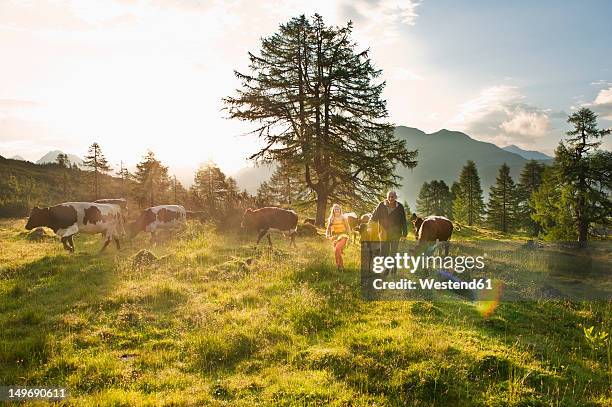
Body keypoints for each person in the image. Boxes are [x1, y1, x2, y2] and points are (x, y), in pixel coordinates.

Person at [369, 190, 408, 272]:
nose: (390, 198)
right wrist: (369, 224)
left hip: (395, 234)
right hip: (383, 233)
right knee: (384, 252)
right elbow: (374, 216)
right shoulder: (381, 205)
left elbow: (403, 221)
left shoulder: (400, 207)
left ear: (395, 197)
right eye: (389, 196)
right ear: (387, 197)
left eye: (392, 196)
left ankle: (393, 268)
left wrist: (404, 234)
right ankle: (386, 268)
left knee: (394, 252)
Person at [325, 204, 352, 271]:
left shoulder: (343, 218)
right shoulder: (331, 219)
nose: (337, 210)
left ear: (340, 210)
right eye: (335, 209)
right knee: (337, 251)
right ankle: (340, 266)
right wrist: (327, 234)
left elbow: (348, 228)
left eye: (338, 209)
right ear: (333, 211)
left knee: (337, 249)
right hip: (335, 237)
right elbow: (328, 228)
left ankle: (340, 267)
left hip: (343, 235)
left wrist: (350, 237)